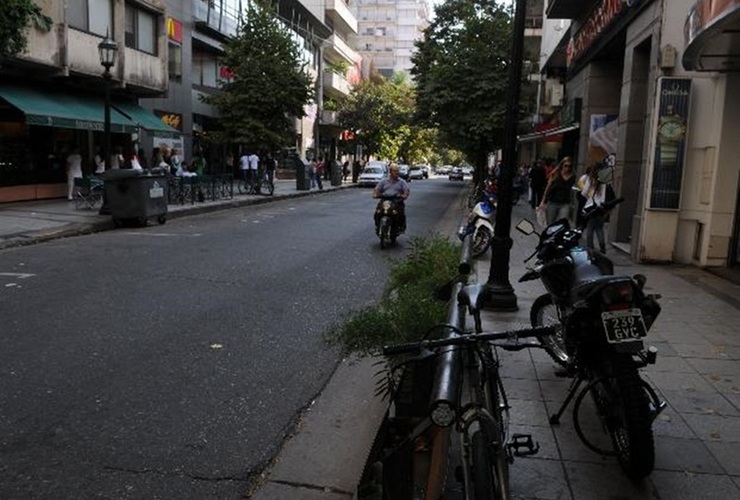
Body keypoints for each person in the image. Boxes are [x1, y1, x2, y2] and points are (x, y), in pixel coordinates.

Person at [373, 163, 410, 232]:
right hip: (385, 200)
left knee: (400, 213)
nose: (397, 173)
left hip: (396, 201)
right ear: (390, 172)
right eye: (395, 171)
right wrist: (376, 194)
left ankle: (400, 227)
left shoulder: (402, 182)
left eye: (398, 171)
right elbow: (377, 189)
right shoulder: (384, 181)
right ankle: (378, 225)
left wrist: (404, 195)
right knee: (377, 212)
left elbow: (406, 190)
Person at [540, 156, 576, 225]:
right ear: (562, 165)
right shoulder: (555, 174)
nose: (567, 168)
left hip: (565, 203)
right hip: (553, 202)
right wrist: (543, 201)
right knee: (550, 223)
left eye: (569, 166)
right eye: (565, 166)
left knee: (563, 223)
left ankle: (559, 235)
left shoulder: (573, 176)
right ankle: (551, 235)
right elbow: (548, 188)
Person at [581, 165, 608, 254]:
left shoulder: (590, 179)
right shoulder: (603, 181)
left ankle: (590, 247)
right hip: (600, 207)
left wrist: (589, 197)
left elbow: (584, 192)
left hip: (591, 207)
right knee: (599, 228)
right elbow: (603, 197)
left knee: (590, 228)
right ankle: (602, 246)